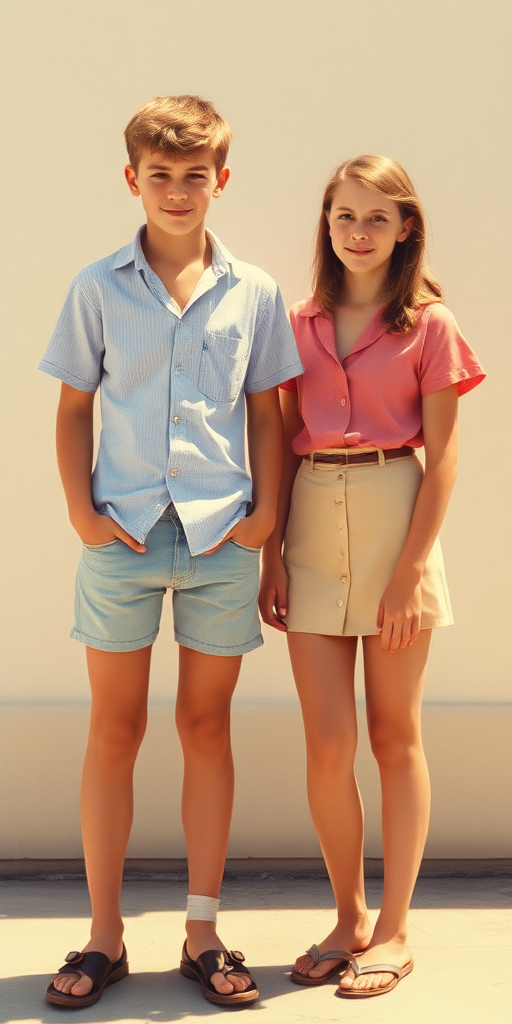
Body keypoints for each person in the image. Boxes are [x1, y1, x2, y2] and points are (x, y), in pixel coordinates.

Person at [39, 94, 303, 1009]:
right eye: (162, 175)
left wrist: (266, 514)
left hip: (221, 537)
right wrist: (80, 511)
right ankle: (104, 936)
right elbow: (74, 406)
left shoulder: (255, 291)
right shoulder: (97, 286)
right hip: (121, 538)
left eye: (197, 176)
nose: (179, 191)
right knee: (115, 730)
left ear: (221, 182)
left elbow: (267, 411)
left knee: (205, 728)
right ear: (133, 180)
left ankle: (201, 931)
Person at [259, 155, 485, 998]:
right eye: (345, 216)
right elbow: (282, 439)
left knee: (394, 735)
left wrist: (411, 570)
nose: (359, 232)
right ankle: (349, 915)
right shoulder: (298, 322)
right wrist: (273, 552)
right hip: (312, 514)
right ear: (328, 223)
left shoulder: (430, 324)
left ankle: (394, 929)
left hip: (398, 514)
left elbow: (447, 456)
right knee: (327, 741)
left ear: (406, 229)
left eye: (377, 218)